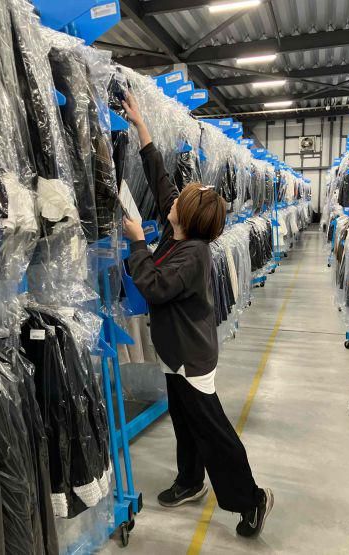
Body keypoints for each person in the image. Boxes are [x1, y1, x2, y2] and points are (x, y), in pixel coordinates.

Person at [122, 93, 273, 538]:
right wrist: (141, 127)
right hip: (178, 354)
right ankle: (190, 481)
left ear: (185, 218)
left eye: (178, 202)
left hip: (191, 359)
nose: (170, 201)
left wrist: (137, 242)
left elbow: (154, 287)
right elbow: (160, 180)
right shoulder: (180, 232)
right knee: (186, 422)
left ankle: (251, 498)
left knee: (212, 431)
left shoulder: (193, 255)